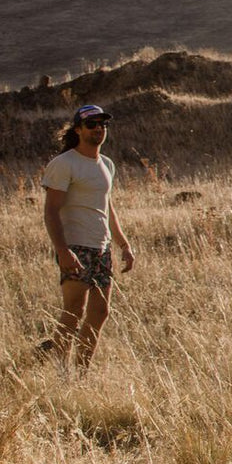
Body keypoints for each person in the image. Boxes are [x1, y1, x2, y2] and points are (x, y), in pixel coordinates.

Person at [39, 104, 135, 368]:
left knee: (100, 313)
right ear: (78, 130)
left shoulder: (107, 164)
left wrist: (123, 245)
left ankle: (82, 373)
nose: (98, 129)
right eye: (92, 124)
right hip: (75, 246)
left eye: (102, 124)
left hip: (101, 247)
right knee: (73, 311)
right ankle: (60, 372)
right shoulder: (63, 164)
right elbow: (51, 211)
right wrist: (62, 250)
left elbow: (107, 207)